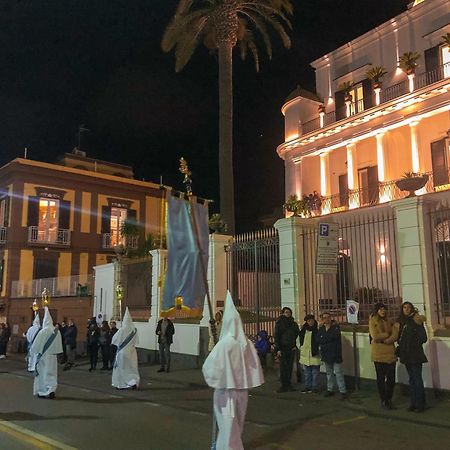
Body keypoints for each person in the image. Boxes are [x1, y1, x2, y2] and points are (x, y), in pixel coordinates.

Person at [202, 292, 264, 450]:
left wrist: (216, 379)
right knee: (236, 427)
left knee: (228, 427)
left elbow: (210, 367)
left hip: (225, 392)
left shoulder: (224, 344)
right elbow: (253, 367)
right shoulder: (247, 343)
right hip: (242, 392)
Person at [396, 301, 428, 413]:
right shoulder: (402, 321)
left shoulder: (416, 320)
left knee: (417, 379)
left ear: (412, 309)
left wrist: (413, 343)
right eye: (404, 307)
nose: (406, 309)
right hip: (406, 355)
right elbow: (399, 337)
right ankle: (413, 403)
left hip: (415, 354)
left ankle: (420, 404)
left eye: (408, 307)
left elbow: (423, 338)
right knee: (412, 379)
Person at [369, 303, 399, 410]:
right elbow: (375, 336)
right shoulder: (373, 321)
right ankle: (383, 400)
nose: (383, 311)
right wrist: (388, 334)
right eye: (380, 309)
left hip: (390, 353)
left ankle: (389, 398)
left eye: (384, 309)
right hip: (379, 354)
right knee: (381, 379)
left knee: (391, 379)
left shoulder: (389, 321)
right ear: (376, 310)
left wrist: (388, 339)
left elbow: (395, 334)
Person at [30, 307, 63, 399]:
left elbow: (36, 345)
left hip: (43, 356)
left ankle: (42, 391)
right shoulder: (57, 332)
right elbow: (59, 345)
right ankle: (51, 390)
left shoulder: (43, 331)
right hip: (52, 356)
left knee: (42, 373)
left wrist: (32, 353)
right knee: (52, 373)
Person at [317, 312, 347, 399]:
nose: (326, 319)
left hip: (335, 354)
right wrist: (325, 338)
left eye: (328, 317)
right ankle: (330, 389)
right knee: (329, 373)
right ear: (322, 319)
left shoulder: (336, 327)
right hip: (326, 354)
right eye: (324, 318)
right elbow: (318, 339)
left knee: (338, 373)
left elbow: (333, 337)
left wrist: (324, 338)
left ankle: (343, 391)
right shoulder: (321, 328)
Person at [112, 307, 140, 390]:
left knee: (122, 368)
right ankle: (133, 382)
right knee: (132, 368)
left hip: (122, 352)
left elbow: (114, 339)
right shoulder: (135, 330)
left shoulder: (122, 330)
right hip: (132, 351)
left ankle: (121, 384)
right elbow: (136, 341)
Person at [274, 307, 299, 393]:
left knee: (289, 366)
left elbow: (296, 334)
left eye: (289, 312)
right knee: (283, 367)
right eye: (286, 312)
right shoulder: (279, 323)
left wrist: (294, 344)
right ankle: (284, 385)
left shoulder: (293, 324)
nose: (287, 313)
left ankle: (289, 384)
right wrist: (278, 349)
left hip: (291, 347)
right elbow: (276, 336)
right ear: (283, 313)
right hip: (282, 348)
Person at [299, 314, 321, 393]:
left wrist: (319, 348)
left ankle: (315, 387)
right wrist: (301, 347)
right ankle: (308, 386)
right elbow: (299, 339)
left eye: (311, 320)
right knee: (307, 372)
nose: (310, 322)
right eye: (308, 321)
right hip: (305, 353)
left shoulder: (318, 329)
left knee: (315, 372)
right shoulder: (304, 329)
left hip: (315, 353)